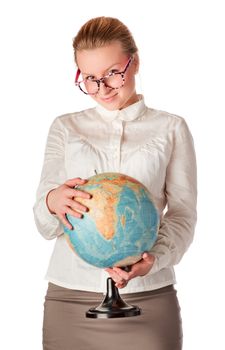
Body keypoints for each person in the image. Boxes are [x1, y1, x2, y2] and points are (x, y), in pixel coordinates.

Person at [33, 16, 197, 350]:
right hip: (70, 298)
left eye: (112, 73)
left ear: (134, 62)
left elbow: (182, 215)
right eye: (90, 78)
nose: (102, 88)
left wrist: (155, 259)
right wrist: (53, 202)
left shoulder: (171, 128)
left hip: (148, 299)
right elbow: (45, 224)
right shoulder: (65, 128)